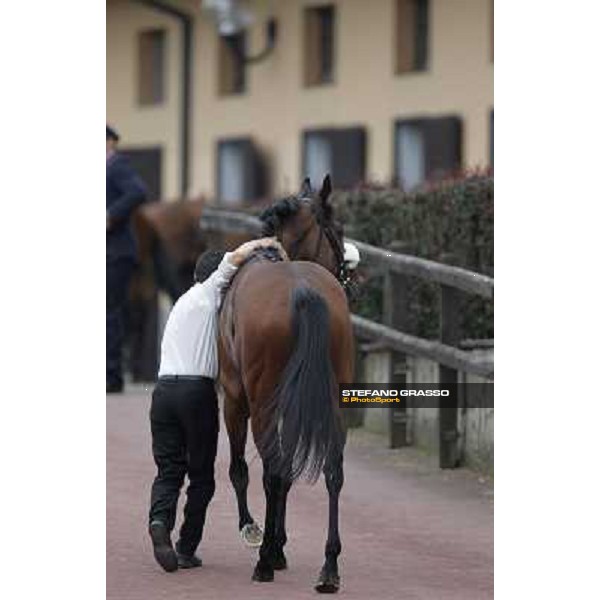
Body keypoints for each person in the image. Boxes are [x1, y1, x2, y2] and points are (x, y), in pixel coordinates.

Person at [148, 238, 287, 573]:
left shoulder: (181, 302)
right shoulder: (211, 291)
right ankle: (185, 547)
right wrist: (266, 243)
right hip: (196, 394)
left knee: (168, 470)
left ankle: (158, 521)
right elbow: (236, 257)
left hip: (163, 392)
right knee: (201, 478)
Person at [106, 125, 147, 393]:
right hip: (108, 252)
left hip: (116, 252)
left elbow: (137, 191)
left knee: (109, 312)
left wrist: (109, 215)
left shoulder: (117, 165)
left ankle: (112, 375)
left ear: (109, 142)